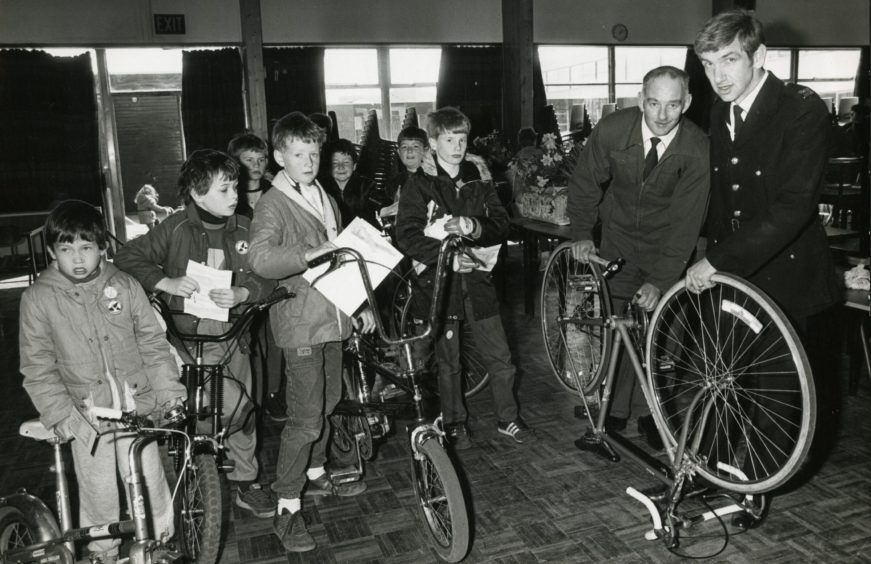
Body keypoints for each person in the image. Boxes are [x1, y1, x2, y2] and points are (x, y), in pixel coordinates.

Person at [686, 9, 840, 527]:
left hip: (787, 276)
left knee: (776, 395)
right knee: (723, 381)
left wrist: (717, 260)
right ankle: (713, 475)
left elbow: (794, 207)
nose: (718, 75)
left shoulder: (801, 109)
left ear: (759, 56)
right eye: (708, 64)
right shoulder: (717, 109)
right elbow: (723, 194)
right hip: (733, 276)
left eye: (729, 60)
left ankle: (754, 490)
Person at [19, 200, 186, 563]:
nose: (77, 258)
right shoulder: (38, 299)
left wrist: (170, 395)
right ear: (52, 252)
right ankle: (103, 553)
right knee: (99, 493)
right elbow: (37, 367)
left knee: (150, 481)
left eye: (86, 248)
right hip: (86, 416)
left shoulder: (125, 286)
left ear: (102, 248)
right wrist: (62, 415)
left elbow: (153, 346)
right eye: (66, 249)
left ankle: (159, 545)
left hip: (135, 406)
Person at [114, 149, 276, 520]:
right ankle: (193, 468)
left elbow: (267, 275)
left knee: (241, 407)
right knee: (194, 408)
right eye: (225, 189)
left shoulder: (246, 229)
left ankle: (246, 480)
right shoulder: (174, 228)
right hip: (187, 339)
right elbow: (127, 257)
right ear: (198, 193)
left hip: (235, 334)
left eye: (235, 186)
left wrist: (244, 292)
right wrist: (165, 280)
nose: (235, 194)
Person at [248, 111, 374, 553]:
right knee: (304, 418)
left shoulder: (321, 193)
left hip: (332, 317)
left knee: (330, 401)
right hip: (300, 322)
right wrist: (309, 252)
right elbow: (261, 260)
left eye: (314, 153)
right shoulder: (273, 203)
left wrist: (358, 306)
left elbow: (341, 255)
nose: (308, 160)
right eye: (298, 154)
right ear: (279, 157)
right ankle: (286, 504)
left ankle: (316, 472)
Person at [567, 66, 710, 450]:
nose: (662, 116)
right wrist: (582, 233)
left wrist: (661, 280)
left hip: (669, 252)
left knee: (658, 338)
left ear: (688, 103)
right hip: (619, 246)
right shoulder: (614, 130)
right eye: (653, 103)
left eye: (673, 105)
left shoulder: (696, 148)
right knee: (619, 331)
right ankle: (613, 413)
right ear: (640, 99)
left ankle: (650, 414)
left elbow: (686, 225)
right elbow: (584, 183)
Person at [395, 106, 535, 450]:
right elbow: (407, 235)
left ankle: (507, 417)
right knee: (449, 361)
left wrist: (475, 226)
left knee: (500, 356)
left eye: (461, 139)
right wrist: (447, 258)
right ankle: (454, 421)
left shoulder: (479, 177)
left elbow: (502, 224)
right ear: (432, 142)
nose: (457, 147)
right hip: (440, 286)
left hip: (479, 282)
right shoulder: (419, 183)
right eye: (448, 139)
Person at [227, 131, 287, 422]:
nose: (256, 165)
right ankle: (253, 396)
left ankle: (274, 394)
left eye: (261, 159)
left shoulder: (278, 190)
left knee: (275, 339)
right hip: (241, 277)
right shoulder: (229, 196)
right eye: (248, 159)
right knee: (250, 342)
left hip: (274, 274)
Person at [320, 138, 387, 228]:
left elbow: (378, 204)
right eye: (335, 163)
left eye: (346, 162)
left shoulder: (366, 185)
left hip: (362, 236)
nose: (341, 167)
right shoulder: (323, 188)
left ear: (354, 166)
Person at [380, 126, 429, 221]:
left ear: (425, 150)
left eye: (415, 146)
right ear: (398, 152)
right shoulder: (393, 183)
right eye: (404, 147)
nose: (409, 151)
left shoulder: (436, 179)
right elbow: (383, 208)